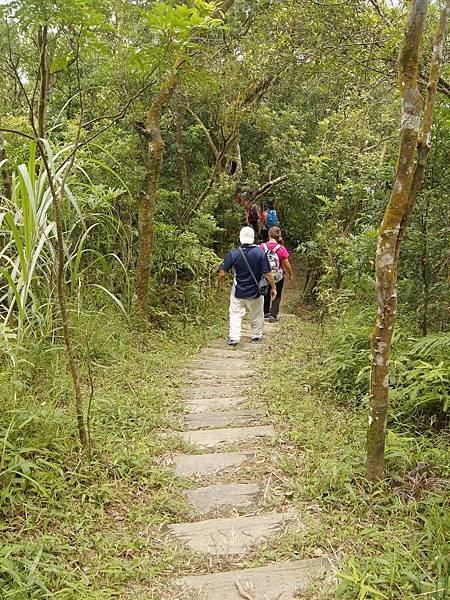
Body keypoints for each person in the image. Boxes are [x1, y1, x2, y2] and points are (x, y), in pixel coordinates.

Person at [217, 226, 276, 345]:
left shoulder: (234, 253)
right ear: (253, 238)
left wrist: (218, 282)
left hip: (238, 292)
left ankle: (234, 337)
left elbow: (223, 272)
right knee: (257, 314)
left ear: (240, 238)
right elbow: (268, 274)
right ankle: (256, 336)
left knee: (235, 313)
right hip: (256, 292)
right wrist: (273, 287)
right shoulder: (260, 253)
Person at [260, 226, 292, 323]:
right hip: (278, 275)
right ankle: (273, 314)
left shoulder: (262, 246)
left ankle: (265, 311)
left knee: (266, 292)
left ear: (269, 234)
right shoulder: (281, 248)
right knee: (277, 294)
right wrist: (290, 274)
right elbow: (286, 264)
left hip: (265, 274)